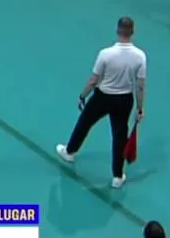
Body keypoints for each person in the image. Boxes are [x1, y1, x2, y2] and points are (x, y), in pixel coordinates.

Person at [55, 16, 145, 189]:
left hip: (103, 97)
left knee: (84, 123)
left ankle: (69, 151)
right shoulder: (140, 56)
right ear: (132, 32)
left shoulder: (105, 54)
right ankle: (117, 176)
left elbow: (93, 80)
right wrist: (140, 108)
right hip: (124, 99)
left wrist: (83, 95)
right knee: (119, 136)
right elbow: (140, 85)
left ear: (117, 30)